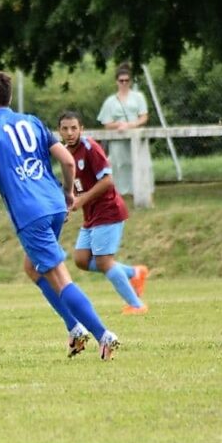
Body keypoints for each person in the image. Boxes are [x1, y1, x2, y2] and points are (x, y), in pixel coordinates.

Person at [0, 72, 120, 360]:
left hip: (30, 213)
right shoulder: (33, 121)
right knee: (33, 267)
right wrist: (67, 193)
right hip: (52, 203)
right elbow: (66, 160)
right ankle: (74, 328)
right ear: (10, 98)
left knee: (60, 277)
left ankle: (103, 334)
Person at [58, 111, 149, 315]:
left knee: (104, 262)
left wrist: (82, 199)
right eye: (65, 128)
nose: (70, 132)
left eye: (74, 128)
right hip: (91, 215)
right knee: (81, 259)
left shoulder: (90, 147)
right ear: (59, 131)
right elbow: (74, 184)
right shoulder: (64, 153)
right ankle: (134, 273)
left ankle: (136, 305)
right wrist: (68, 204)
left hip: (108, 210)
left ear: (82, 129)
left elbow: (107, 181)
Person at [96, 63, 149, 196]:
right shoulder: (110, 101)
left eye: (126, 80)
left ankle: (139, 190)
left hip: (136, 135)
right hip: (118, 137)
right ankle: (119, 192)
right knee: (119, 164)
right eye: (121, 81)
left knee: (139, 163)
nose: (124, 83)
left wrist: (131, 125)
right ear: (116, 82)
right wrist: (119, 125)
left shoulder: (138, 97)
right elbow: (107, 123)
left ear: (130, 81)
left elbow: (144, 117)